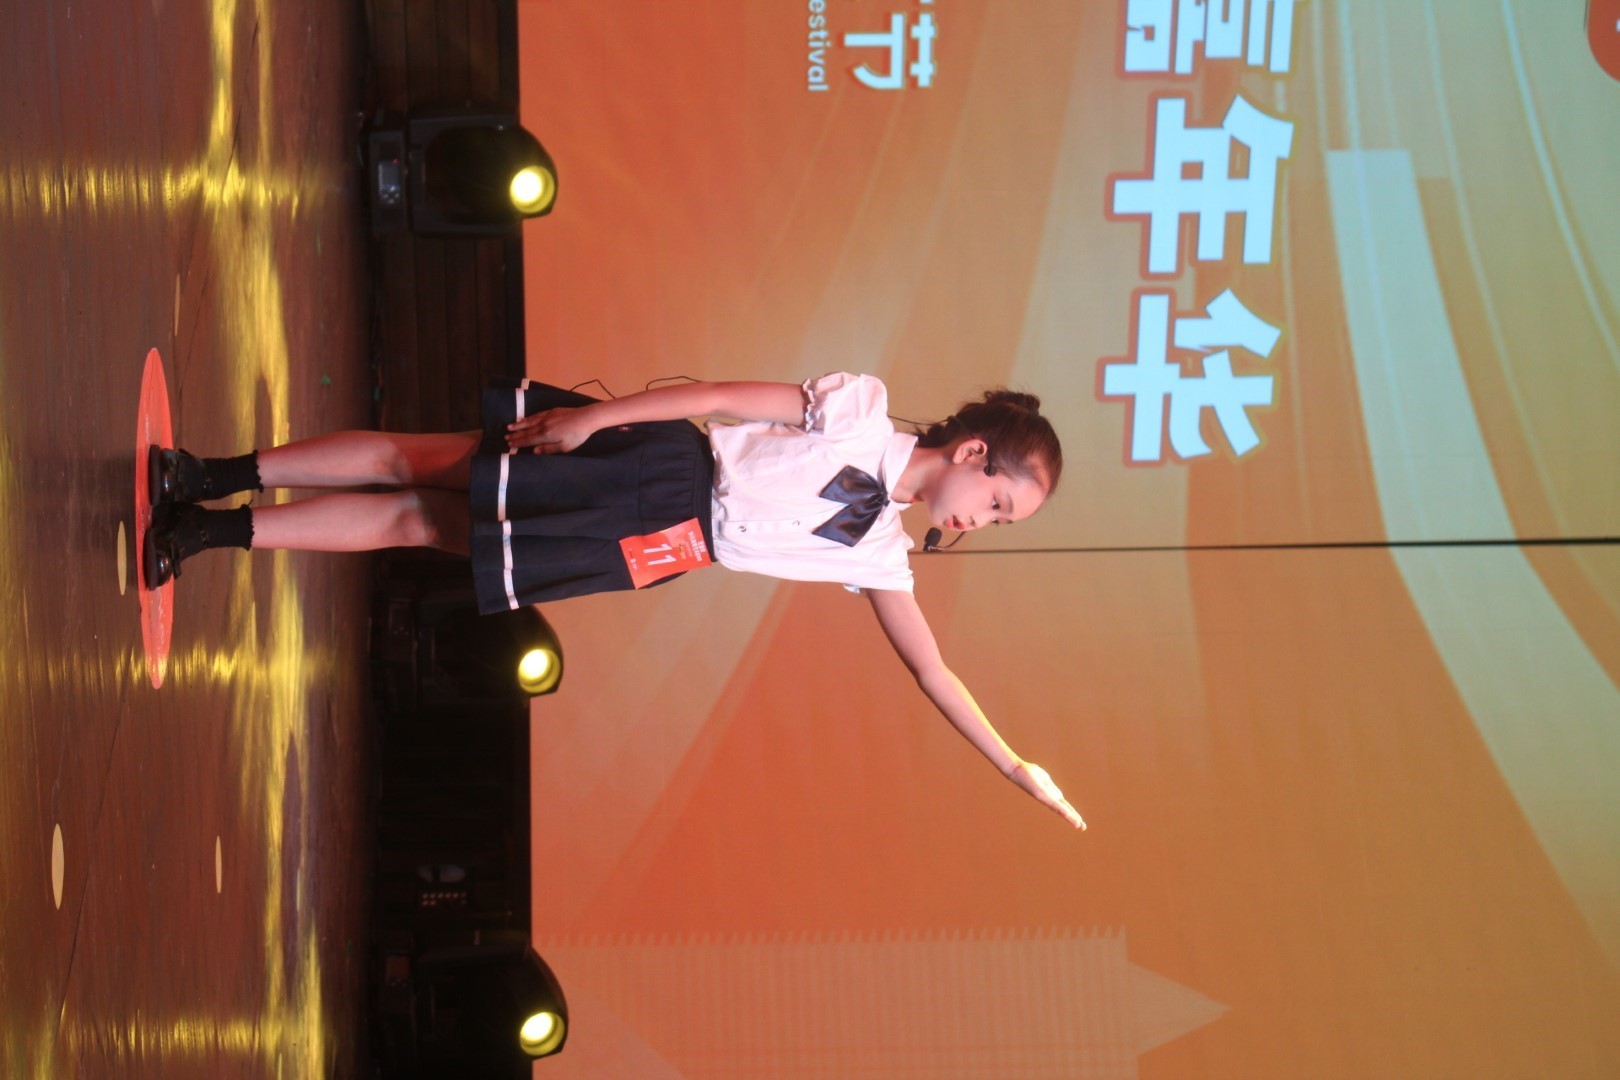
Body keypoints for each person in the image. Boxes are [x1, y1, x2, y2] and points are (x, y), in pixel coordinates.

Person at [145, 372, 1086, 830]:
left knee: (422, 525)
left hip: (658, 548)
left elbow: (931, 669)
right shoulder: (858, 411)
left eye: (999, 523)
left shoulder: (883, 556)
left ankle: (208, 535)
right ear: (973, 454)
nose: (982, 522)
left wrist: (1013, 764)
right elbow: (718, 393)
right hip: (658, 468)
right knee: (419, 459)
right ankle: (211, 474)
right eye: (996, 504)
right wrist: (597, 415)